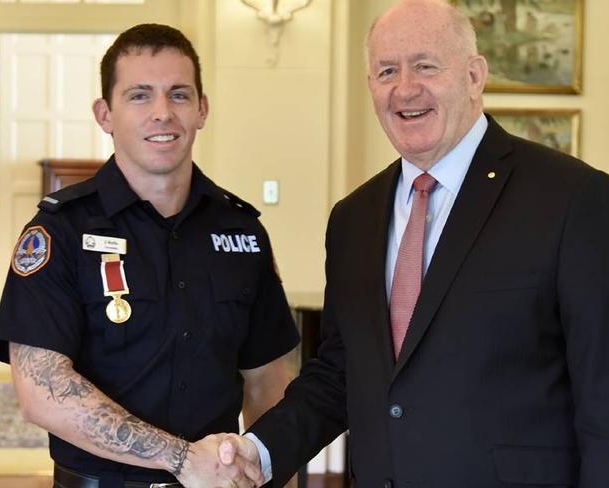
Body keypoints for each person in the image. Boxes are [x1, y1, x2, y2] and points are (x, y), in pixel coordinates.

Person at [219, 0, 609, 486]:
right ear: (371, 87)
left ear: (474, 75)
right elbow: (341, 374)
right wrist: (258, 452)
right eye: (387, 71)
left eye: (426, 65)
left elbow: (602, 395)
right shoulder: (353, 218)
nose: (405, 88)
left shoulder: (571, 198)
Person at [0, 23, 299, 488]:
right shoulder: (59, 231)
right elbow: (41, 391)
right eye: (139, 95)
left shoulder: (242, 231)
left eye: (178, 94)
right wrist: (183, 459)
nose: (162, 113)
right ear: (104, 113)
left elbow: (267, 384)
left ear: (202, 109)